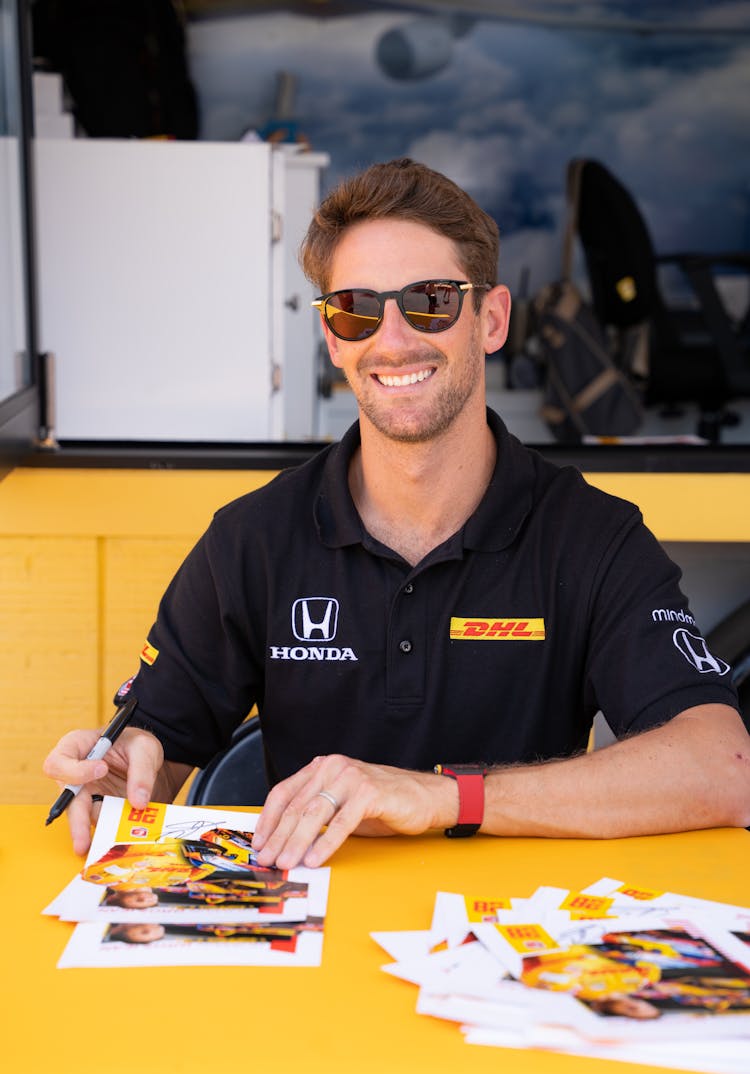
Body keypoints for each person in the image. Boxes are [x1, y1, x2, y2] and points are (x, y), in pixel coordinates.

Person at [43, 157, 750, 870]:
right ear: (332, 338)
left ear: (492, 319)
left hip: (507, 949)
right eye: (355, 308)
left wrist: (443, 798)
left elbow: (724, 765)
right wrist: (120, 774)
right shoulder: (252, 539)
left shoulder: (593, 538)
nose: (392, 339)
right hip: (308, 943)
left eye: (432, 300)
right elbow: (157, 749)